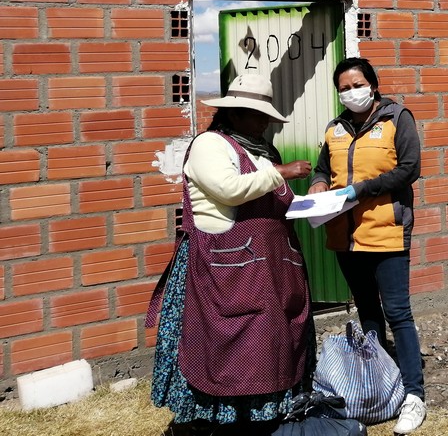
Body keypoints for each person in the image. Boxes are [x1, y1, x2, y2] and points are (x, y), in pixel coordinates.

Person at [147, 73, 315, 436]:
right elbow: (228, 189)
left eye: (266, 116)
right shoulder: (211, 144)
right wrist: (281, 172)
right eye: (258, 115)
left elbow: (276, 197)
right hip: (224, 266)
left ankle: (262, 417)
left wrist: (313, 204)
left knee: (271, 342)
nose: (265, 123)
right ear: (235, 114)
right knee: (225, 345)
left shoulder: (261, 151)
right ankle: (209, 422)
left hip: (268, 266)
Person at [308, 57, 426, 434]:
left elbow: (410, 168)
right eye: (343, 87)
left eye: (356, 84)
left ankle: (413, 394)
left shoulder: (396, 118)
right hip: (345, 237)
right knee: (367, 312)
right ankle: (379, 383)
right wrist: (318, 184)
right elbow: (323, 168)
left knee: (398, 313)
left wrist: (362, 189)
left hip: (386, 231)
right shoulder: (335, 129)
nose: (350, 92)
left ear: (372, 85)